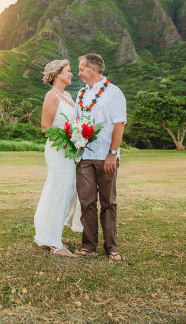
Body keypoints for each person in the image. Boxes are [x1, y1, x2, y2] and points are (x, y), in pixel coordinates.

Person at [74, 54, 126, 261]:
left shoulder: (114, 93)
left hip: (106, 156)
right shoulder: (80, 93)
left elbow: (119, 124)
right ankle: (88, 244)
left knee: (108, 202)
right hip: (84, 156)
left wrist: (112, 154)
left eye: (81, 69)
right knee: (86, 201)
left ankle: (111, 246)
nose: (78, 73)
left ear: (94, 70)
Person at [33, 59, 80, 257]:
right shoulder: (51, 96)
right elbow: (45, 127)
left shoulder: (68, 95)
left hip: (70, 150)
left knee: (66, 190)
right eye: (68, 71)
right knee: (59, 190)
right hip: (58, 149)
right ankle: (54, 243)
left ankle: (49, 234)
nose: (71, 74)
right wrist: (67, 136)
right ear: (58, 74)